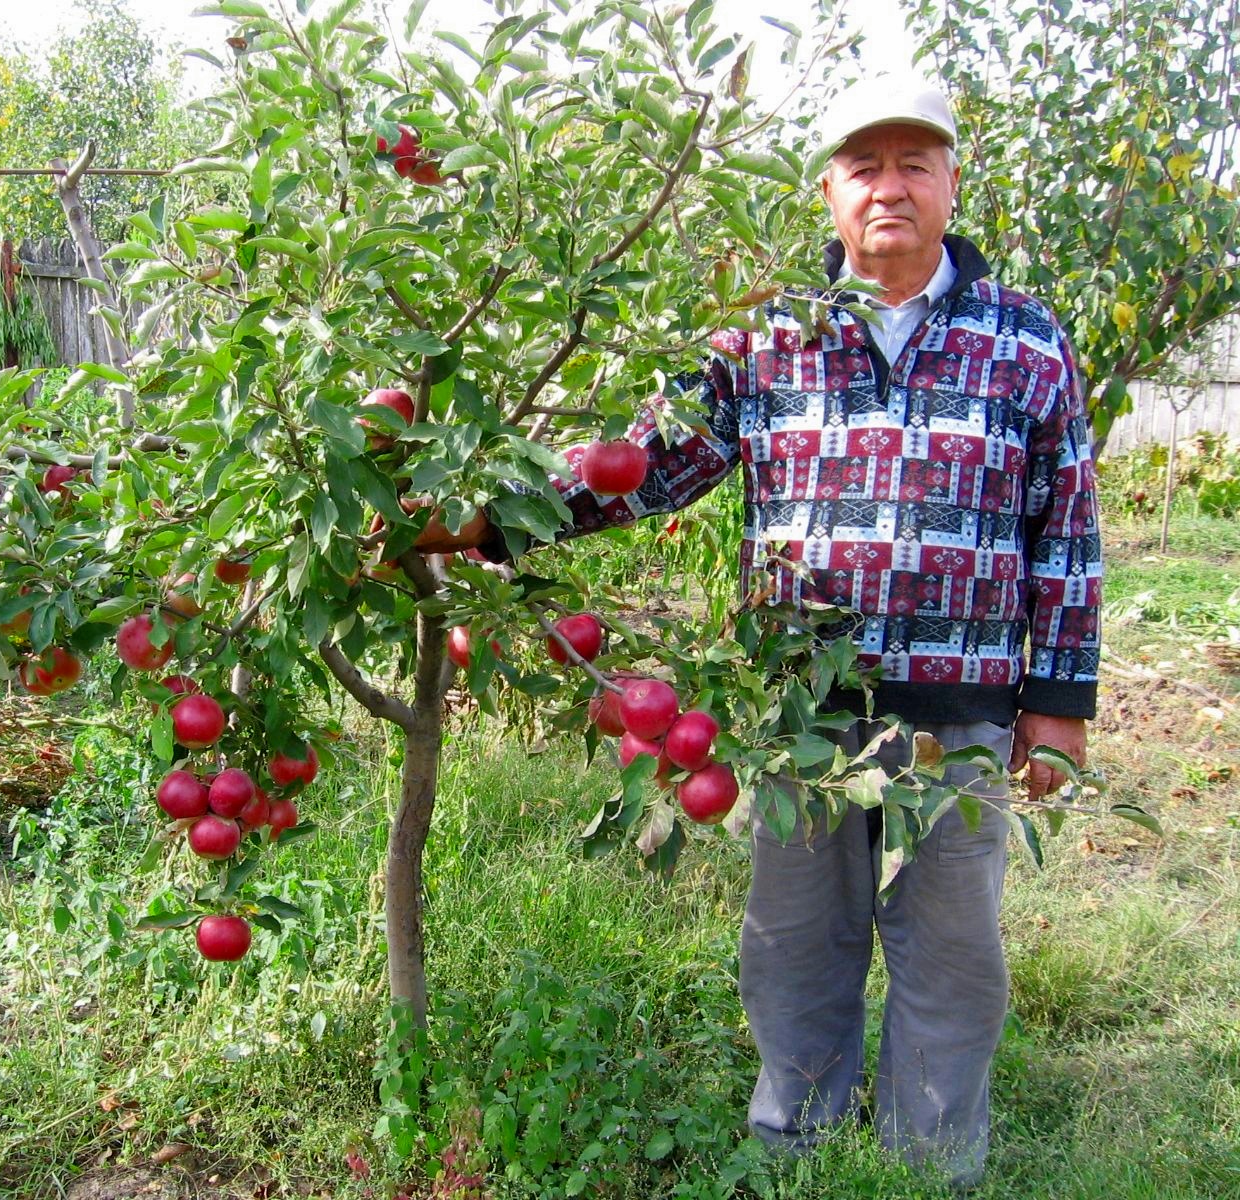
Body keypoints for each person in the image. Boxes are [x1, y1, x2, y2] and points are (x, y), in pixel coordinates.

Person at [429, 75, 1103, 1187]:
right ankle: (794, 1138)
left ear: (949, 181)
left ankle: (930, 1161)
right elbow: (649, 463)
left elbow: (1065, 528)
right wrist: (492, 519)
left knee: (951, 945)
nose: (888, 187)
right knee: (795, 940)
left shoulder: (1025, 339)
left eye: (912, 163)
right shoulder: (767, 333)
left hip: (965, 704)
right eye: (863, 166)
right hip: (801, 709)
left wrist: (1060, 704)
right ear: (828, 189)